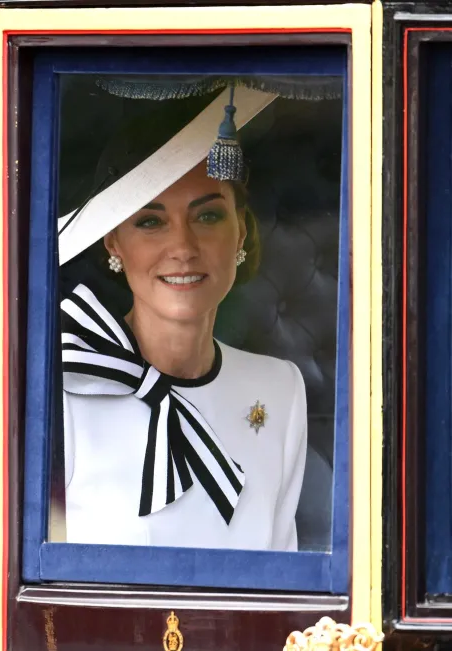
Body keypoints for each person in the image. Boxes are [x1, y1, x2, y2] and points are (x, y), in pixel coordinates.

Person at [58, 83, 307, 551]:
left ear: (240, 232)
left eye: (208, 216)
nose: (183, 249)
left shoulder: (280, 389)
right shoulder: (64, 388)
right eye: (150, 222)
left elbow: (282, 587)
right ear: (114, 243)